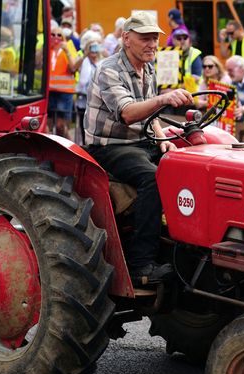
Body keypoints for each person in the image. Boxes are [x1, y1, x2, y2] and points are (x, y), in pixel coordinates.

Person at [83, 11, 194, 287]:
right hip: (110, 147)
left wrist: (162, 139)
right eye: (145, 38)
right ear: (126, 38)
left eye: (155, 38)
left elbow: (150, 115)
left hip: (141, 141)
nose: (152, 44)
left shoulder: (149, 68)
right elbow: (129, 113)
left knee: (186, 163)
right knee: (151, 178)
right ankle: (140, 264)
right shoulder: (109, 69)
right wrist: (164, 98)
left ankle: (186, 249)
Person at [47, 21, 79, 139]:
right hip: (49, 91)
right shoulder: (47, 48)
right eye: (53, 34)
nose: (56, 37)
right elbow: (38, 64)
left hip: (64, 92)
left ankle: (70, 150)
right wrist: (45, 47)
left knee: (61, 126)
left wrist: (67, 51)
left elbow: (73, 68)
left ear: (63, 37)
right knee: (47, 127)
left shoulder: (69, 47)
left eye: (59, 35)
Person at [75, 31, 103, 146]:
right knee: (83, 126)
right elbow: (75, 67)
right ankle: (85, 146)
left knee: (95, 126)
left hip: (97, 101)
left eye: (96, 48)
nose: (94, 51)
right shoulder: (83, 60)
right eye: (92, 48)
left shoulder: (102, 62)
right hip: (83, 100)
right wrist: (85, 54)